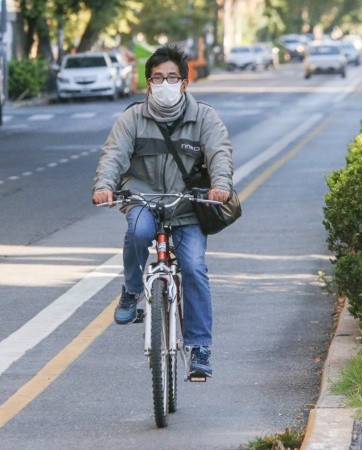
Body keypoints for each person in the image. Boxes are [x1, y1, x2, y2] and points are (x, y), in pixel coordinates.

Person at [92, 45, 233, 379]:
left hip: (187, 206)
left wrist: (221, 185)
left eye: (172, 77)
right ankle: (130, 292)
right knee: (138, 233)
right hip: (142, 200)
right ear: (148, 83)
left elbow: (220, 153)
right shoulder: (132, 118)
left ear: (184, 83)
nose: (165, 83)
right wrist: (104, 186)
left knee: (195, 267)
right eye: (158, 78)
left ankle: (199, 348)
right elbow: (113, 155)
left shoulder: (205, 118)